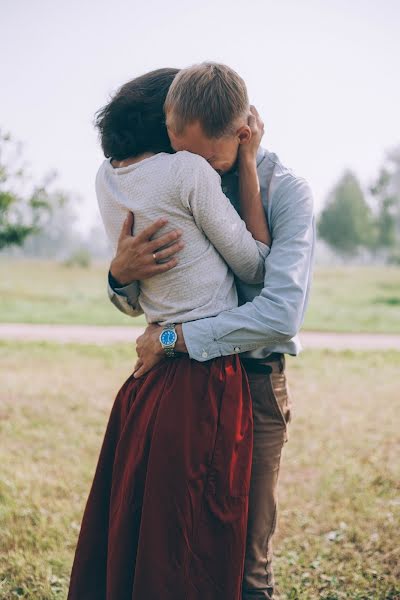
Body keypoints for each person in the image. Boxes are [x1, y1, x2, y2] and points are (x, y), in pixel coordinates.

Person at [108, 62, 316, 600]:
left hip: (252, 381)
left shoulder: (289, 194)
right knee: (173, 543)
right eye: (184, 152)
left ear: (243, 131)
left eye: (208, 158)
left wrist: (172, 338)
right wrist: (119, 276)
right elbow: (141, 299)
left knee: (245, 558)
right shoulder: (178, 173)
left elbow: (278, 314)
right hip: (183, 388)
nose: (194, 167)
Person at [68, 66, 271, 600]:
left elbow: (132, 301)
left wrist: (119, 275)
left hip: (148, 376)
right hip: (205, 378)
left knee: (140, 527)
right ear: (172, 124)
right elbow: (253, 268)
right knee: (195, 532)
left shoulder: (107, 179)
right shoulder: (187, 171)